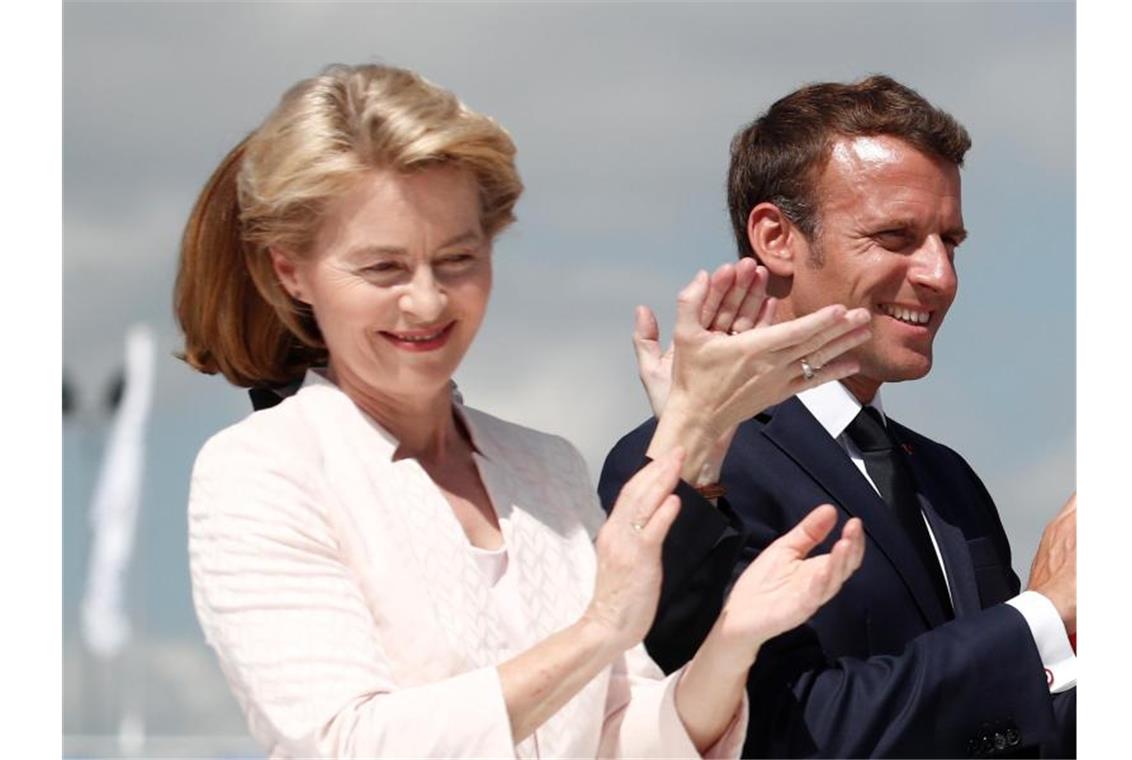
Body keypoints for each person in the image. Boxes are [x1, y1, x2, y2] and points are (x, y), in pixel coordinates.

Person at [175, 63, 875, 759]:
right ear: (290, 271)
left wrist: (733, 642)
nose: (427, 301)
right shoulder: (260, 473)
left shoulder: (546, 468)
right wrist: (598, 629)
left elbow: (617, 739)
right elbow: (349, 743)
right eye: (383, 269)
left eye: (457, 259)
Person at [599, 75, 1077, 758]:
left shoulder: (948, 479)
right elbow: (788, 731)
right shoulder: (680, 476)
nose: (940, 275)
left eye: (951, 241)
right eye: (896, 236)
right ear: (776, 237)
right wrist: (1042, 614)